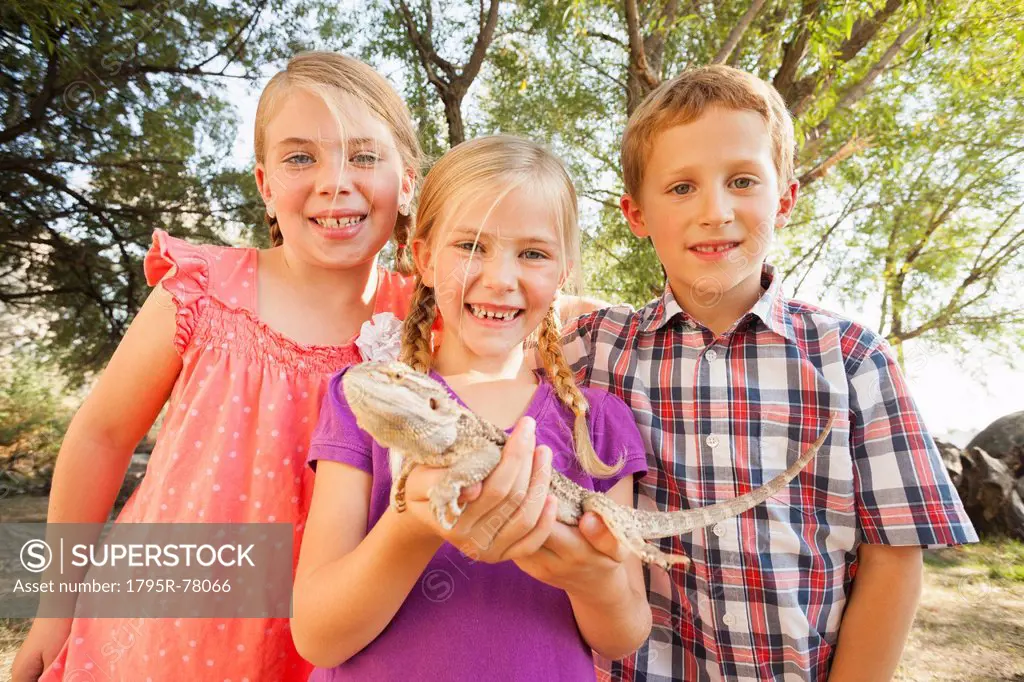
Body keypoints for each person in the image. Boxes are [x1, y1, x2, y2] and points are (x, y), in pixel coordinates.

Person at [13, 50, 425, 682]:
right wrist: (54, 605)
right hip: (166, 629)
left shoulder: (426, 322)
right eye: (299, 157)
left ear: (408, 180)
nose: (333, 181)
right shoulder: (203, 290)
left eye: (363, 156)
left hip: (338, 637)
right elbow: (101, 436)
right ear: (265, 185)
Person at [560, 65, 978, 682]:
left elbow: (895, 562)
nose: (715, 211)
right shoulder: (590, 354)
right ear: (636, 213)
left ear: (784, 198)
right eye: (680, 188)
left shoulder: (855, 360)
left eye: (743, 180)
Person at [292, 135, 653, 680]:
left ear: (563, 272)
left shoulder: (596, 424)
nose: (500, 278)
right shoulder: (367, 399)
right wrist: (414, 525)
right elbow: (318, 636)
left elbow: (623, 638)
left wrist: (592, 578)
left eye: (532, 253)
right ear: (424, 257)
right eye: (471, 246)